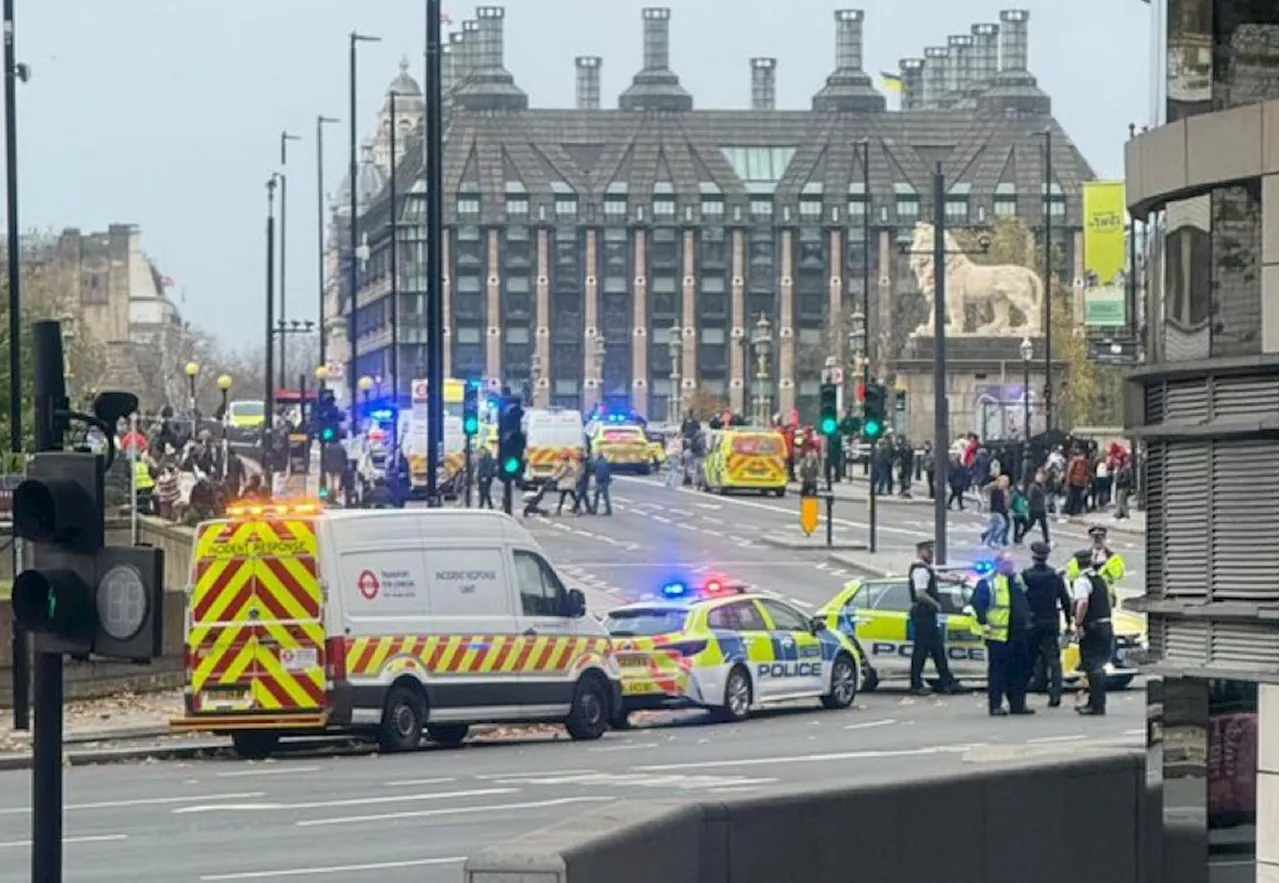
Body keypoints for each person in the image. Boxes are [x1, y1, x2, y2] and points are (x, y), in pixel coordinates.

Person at [970, 551, 1033, 716]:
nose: (1011, 566)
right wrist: (984, 623)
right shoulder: (988, 582)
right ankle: (996, 705)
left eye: (1012, 563)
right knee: (998, 672)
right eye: (1007, 563)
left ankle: (1018, 704)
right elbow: (977, 603)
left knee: (1019, 670)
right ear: (998, 565)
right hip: (998, 635)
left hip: (1018, 633)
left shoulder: (1017, 580)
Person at [906, 539, 961, 696]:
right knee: (921, 651)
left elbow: (936, 576)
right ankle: (916, 684)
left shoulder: (925, 568)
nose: (931, 554)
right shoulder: (920, 570)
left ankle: (947, 681)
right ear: (920, 551)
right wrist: (936, 604)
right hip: (923, 614)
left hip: (927, 615)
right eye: (928, 551)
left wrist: (953, 578)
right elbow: (920, 593)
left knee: (937, 649)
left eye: (932, 551)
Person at [1021, 541, 1073, 707]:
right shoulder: (1055, 577)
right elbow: (1065, 599)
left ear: (1033, 557)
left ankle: (1021, 693)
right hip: (1051, 620)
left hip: (1032, 621)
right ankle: (1056, 692)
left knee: (1029, 658)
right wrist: (1069, 621)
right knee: (1053, 659)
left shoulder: (1027, 576)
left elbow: (1021, 599)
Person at [1069, 548, 1113, 716]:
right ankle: (1096, 701)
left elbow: (1082, 603)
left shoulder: (1082, 581)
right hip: (1105, 625)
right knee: (1099, 665)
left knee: (1091, 665)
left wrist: (1079, 622)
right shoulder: (1100, 579)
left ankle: (1096, 705)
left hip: (1092, 627)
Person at [1065, 525, 1126, 606]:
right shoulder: (1082, 557)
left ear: (1105, 538)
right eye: (1095, 538)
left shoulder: (1113, 557)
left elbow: (1118, 575)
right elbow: (1071, 575)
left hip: (1106, 594)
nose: (1098, 540)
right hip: (1086, 593)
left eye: (1101, 537)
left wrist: (1106, 563)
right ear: (1090, 538)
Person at [591, 451, 613, 515]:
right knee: (601, 496)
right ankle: (607, 510)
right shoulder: (605, 461)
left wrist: (599, 479)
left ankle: (596, 510)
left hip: (601, 481)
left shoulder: (598, 462)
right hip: (605, 481)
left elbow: (593, 469)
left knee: (600, 496)